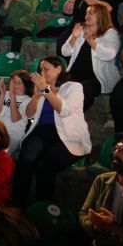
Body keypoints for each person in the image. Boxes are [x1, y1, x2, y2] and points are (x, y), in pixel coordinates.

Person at [13, 56, 91, 207]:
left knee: (45, 165)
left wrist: (45, 90)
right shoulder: (42, 89)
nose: (42, 72)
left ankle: (43, 208)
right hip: (41, 132)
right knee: (25, 160)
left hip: (66, 136)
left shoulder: (73, 87)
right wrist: (36, 96)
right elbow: (28, 114)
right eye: (41, 69)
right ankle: (17, 205)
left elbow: (64, 110)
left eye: (46, 69)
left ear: (59, 69)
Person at [61, 4, 121, 110]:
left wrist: (90, 40)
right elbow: (64, 52)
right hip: (74, 73)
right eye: (86, 13)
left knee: (81, 91)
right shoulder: (81, 29)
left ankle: (72, 118)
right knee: (54, 85)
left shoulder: (111, 33)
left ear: (101, 15)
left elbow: (109, 55)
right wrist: (74, 37)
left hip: (96, 78)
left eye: (91, 13)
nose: (87, 16)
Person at [0, 71, 34, 153]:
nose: (16, 85)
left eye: (19, 83)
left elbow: (15, 119)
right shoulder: (6, 94)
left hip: (12, 134)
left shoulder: (28, 101)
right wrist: (2, 94)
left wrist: (12, 95)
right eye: (14, 82)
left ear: (26, 85)